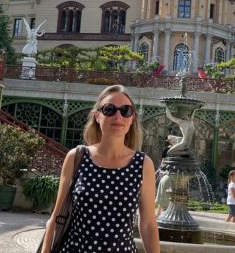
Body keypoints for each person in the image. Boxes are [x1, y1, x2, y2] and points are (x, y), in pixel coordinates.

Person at [42, 85, 160, 253]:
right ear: (97, 116)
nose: (118, 116)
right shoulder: (77, 157)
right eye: (110, 109)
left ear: (132, 118)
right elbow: (56, 218)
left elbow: (148, 224)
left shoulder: (143, 164)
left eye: (125, 110)